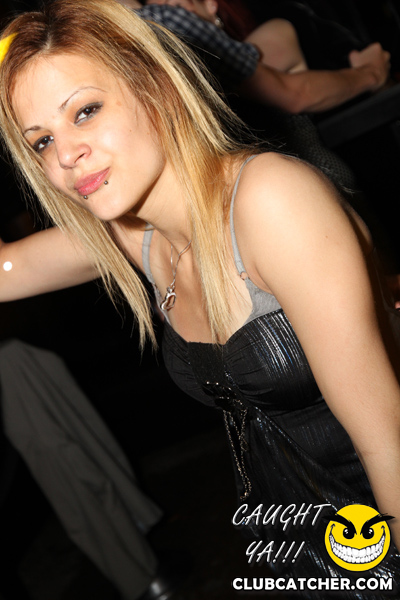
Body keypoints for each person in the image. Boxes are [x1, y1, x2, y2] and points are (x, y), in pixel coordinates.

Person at [0, 1, 399, 596]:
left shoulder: (271, 202)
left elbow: (388, 442)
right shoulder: (140, 235)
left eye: (85, 111)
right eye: (41, 141)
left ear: (157, 87)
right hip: (289, 535)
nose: (64, 155)